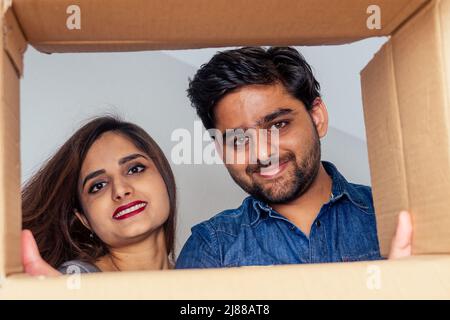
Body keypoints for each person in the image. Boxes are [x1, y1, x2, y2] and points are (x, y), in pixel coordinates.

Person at [175, 46, 412, 269]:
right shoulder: (211, 249)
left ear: (317, 118)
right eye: (238, 140)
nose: (263, 154)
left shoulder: (394, 217)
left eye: (278, 125)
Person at [21, 116, 177, 275]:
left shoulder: (197, 267)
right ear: (84, 218)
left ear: (164, 177)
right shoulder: (78, 278)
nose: (120, 190)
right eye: (98, 186)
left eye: (134, 169)